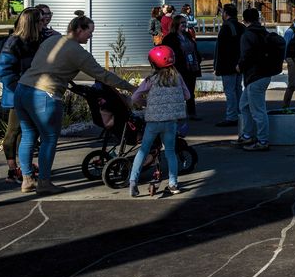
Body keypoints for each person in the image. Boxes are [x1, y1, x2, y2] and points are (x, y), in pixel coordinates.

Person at [15, 11, 134, 194]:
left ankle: (27, 179)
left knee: (28, 135)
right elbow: (102, 75)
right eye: (89, 32)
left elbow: (49, 64)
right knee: (49, 139)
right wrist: (131, 88)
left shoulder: (51, 40)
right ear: (79, 29)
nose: (91, 36)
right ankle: (44, 182)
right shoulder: (78, 52)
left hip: (22, 90)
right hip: (45, 94)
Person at [128, 46, 190, 197]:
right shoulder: (178, 78)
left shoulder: (151, 80)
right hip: (171, 122)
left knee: (143, 150)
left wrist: (146, 103)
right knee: (170, 151)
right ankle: (173, 184)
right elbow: (187, 96)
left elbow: (135, 97)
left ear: (153, 64)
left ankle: (133, 182)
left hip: (153, 122)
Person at [0, 7, 43, 183]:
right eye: (40, 20)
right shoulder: (13, 43)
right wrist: (20, 90)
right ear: (32, 23)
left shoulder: (35, 41)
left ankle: (25, 168)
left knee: (27, 133)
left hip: (31, 93)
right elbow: (5, 71)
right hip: (17, 95)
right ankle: (12, 170)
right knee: (13, 132)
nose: (44, 23)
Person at [234, 7, 284, 151]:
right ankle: (247, 135)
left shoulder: (247, 35)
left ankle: (262, 141)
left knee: (258, 111)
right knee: (244, 105)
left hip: (254, 75)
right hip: (263, 74)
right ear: (257, 18)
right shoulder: (263, 32)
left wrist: (239, 66)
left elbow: (246, 55)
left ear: (244, 20)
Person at [161, 15, 201, 120]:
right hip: (178, 69)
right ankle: (177, 114)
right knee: (178, 91)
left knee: (190, 91)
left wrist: (198, 59)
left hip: (191, 68)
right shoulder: (169, 38)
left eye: (185, 22)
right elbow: (167, 54)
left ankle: (192, 113)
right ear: (176, 24)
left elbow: (194, 48)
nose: (184, 25)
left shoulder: (187, 35)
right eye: (182, 23)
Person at [213, 3, 244, 127]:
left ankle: (231, 116)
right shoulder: (241, 26)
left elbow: (221, 49)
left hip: (228, 65)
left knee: (230, 92)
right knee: (238, 90)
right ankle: (240, 114)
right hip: (239, 64)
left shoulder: (226, 27)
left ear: (225, 14)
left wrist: (217, 67)